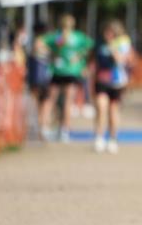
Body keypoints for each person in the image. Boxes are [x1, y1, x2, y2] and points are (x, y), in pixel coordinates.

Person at [39, 14, 94, 143]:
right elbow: (90, 46)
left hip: (65, 71)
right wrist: (80, 57)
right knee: (62, 100)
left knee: (54, 100)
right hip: (66, 71)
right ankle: (60, 129)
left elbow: (90, 46)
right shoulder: (65, 36)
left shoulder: (62, 36)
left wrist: (79, 57)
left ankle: (51, 128)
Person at [92, 20, 134, 154]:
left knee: (113, 111)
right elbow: (92, 58)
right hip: (101, 80)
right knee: (101, 106)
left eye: (111, 33)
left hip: (117, 81)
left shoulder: (123, 44)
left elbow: (122, 61)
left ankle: (113, 138)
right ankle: (99, 137)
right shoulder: (99, 43)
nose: (108, 35)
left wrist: (113, 49)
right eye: (106, 32)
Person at [27, 23, 52, 139]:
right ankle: (40, 127)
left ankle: (42, 126)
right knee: (40, 102)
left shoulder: (37, 42)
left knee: (42, 102)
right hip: (39, 77)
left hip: (40, 77)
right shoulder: (41, 42)